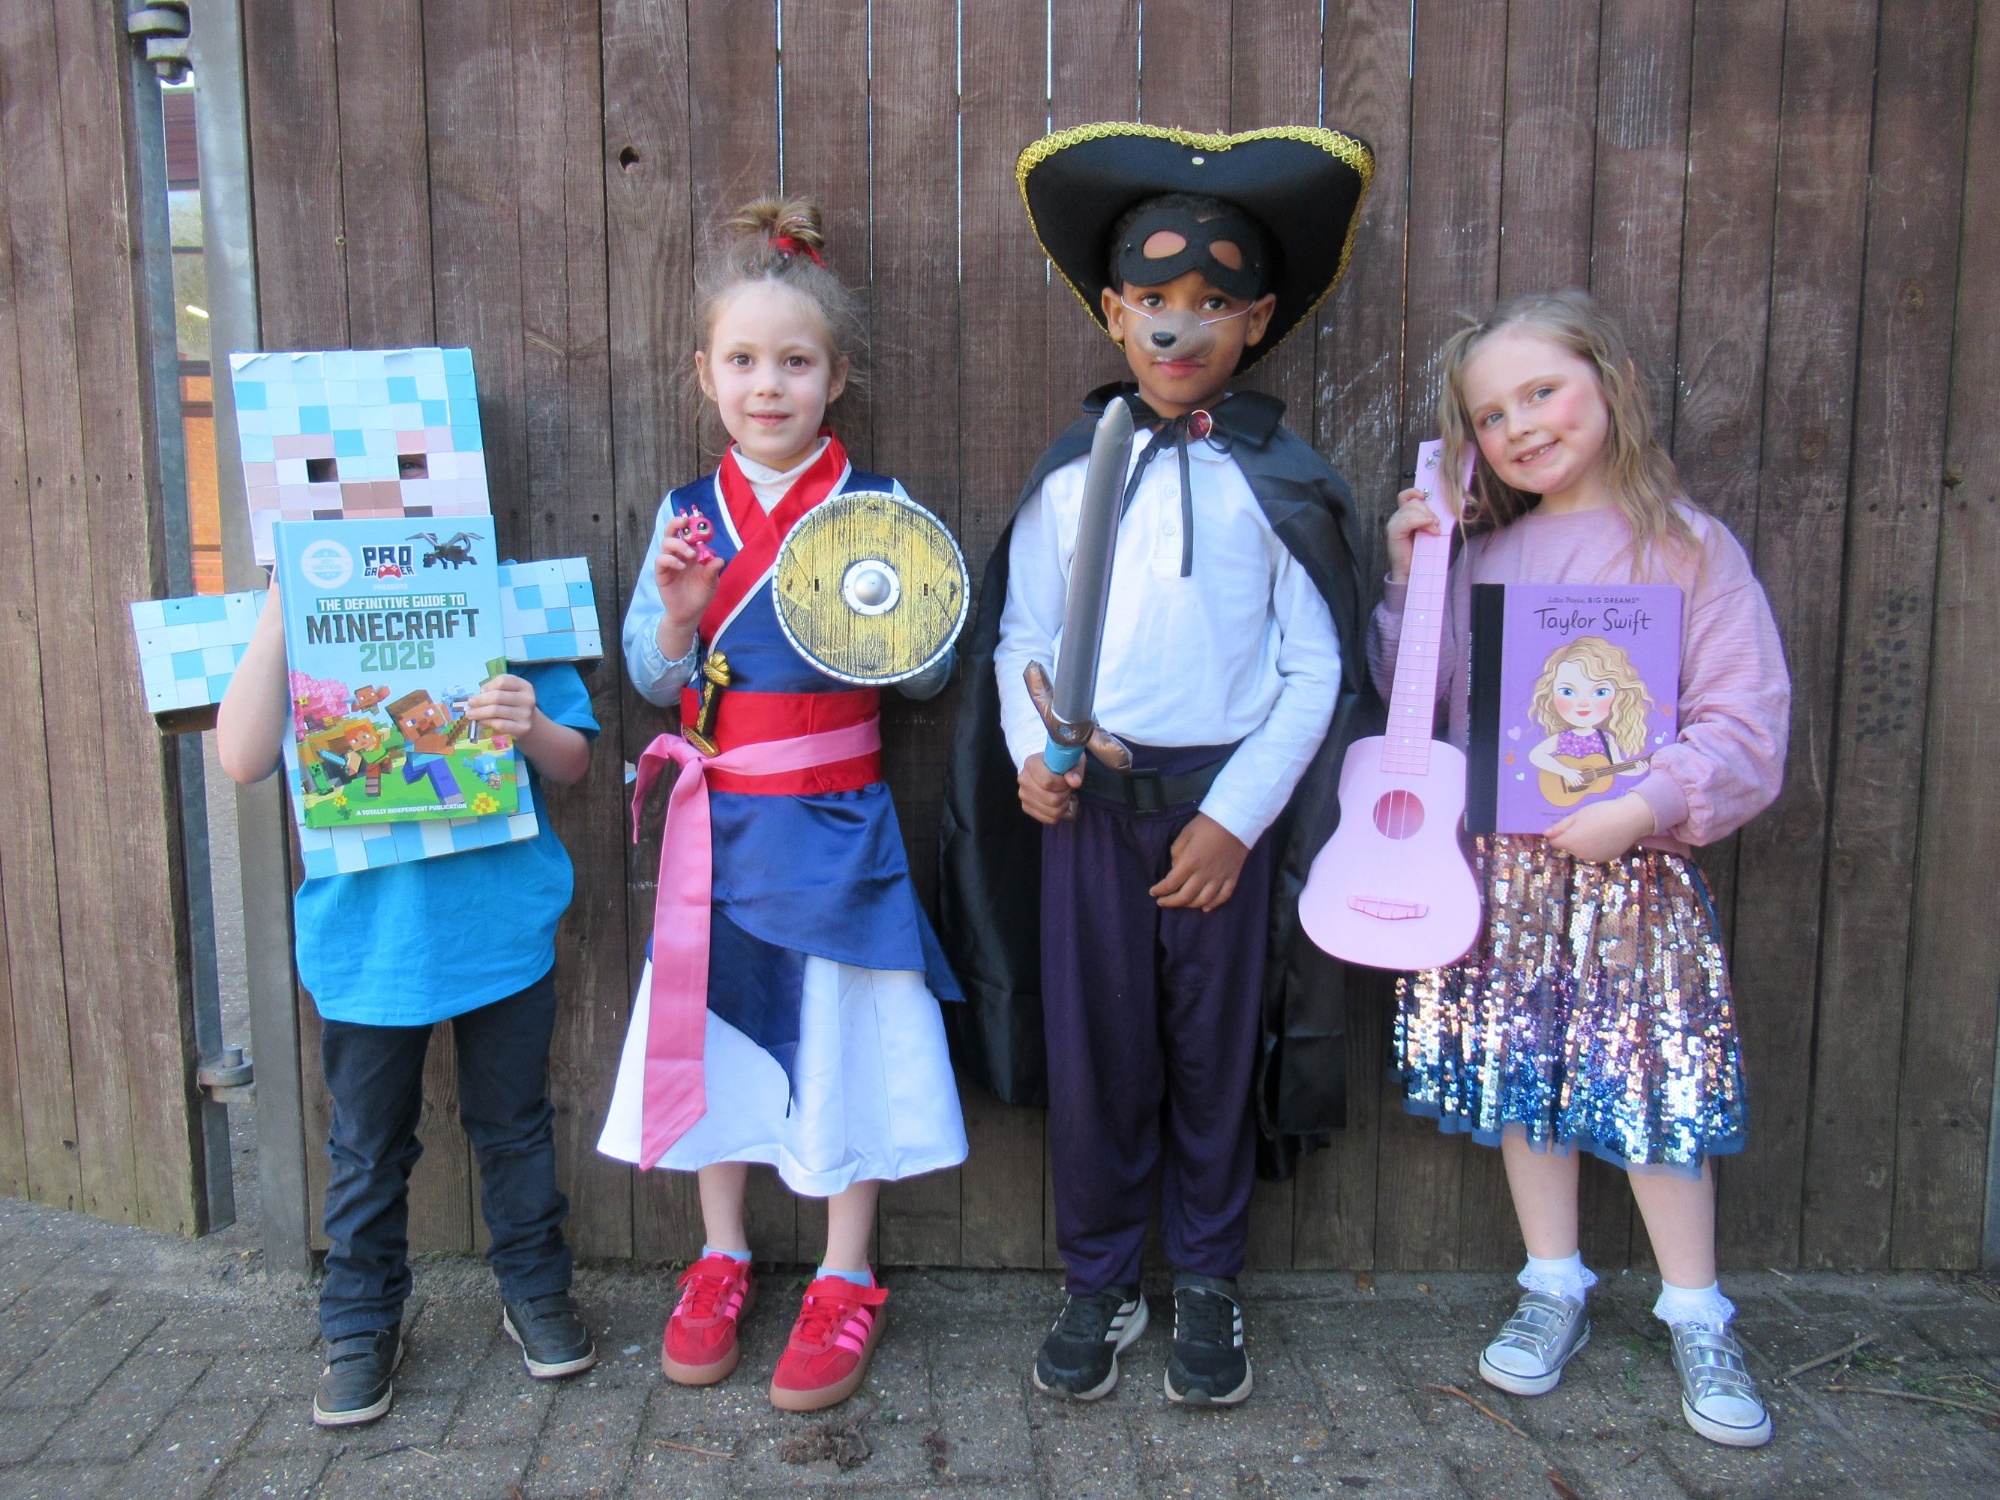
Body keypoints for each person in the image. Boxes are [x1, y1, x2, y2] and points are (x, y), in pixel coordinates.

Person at [940, 125, 1375, 1407]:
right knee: (1099, 1052)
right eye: (1154, 305)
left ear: (1255, 319)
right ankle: (1098, 1279)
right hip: (1086, 816)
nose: (1178, 332)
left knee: (1207, 1049)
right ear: (1113, 310)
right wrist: (1036, 757)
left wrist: (1236, 820)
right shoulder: (1076, 474)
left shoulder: (1279, 481)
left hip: (1216, 826)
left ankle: (1210, 1277)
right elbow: (1024, 633)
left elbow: (1315, 670)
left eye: (1210, 305)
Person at [1374, 288, 1790, 1448]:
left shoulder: (1686, 549)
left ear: (1606, 381)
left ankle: (1697, 1312)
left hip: (1630, 882)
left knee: (1653, 1087)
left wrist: (1643, 804)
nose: (1519, 426)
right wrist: (1417, 570)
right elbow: (1423, 703)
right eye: (1489, 414)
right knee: (1524, 1082)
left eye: (1540, 391)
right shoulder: (1484, 554)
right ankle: (1550, 1282)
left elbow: (1742, 725)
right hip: (1498, 884)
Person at [597, 198, 966, 1414]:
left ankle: (846, 1272)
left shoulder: (880, 509)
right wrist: (679, 612)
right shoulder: (685, 517)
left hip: (840, 821)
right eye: (743, 361)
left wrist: (885, 620)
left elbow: (930, 673)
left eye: (794, 362)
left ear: (835, 377)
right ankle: (720, 1257)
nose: (769, 385)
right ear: (704, 373)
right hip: (718, 825)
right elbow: (653, 684)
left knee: (844, 1036)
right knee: (717, 1036)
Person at [216, 585, 600, 1429]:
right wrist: (283, 610)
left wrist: (527, 723)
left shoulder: (499, 597)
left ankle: (535, 1288)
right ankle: (359, 1323)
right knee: (367, 1147)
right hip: (367, 944)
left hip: (498, 927)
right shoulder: (294, 606)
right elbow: (241, 759)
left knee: (514, 1126)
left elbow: (572, 761)